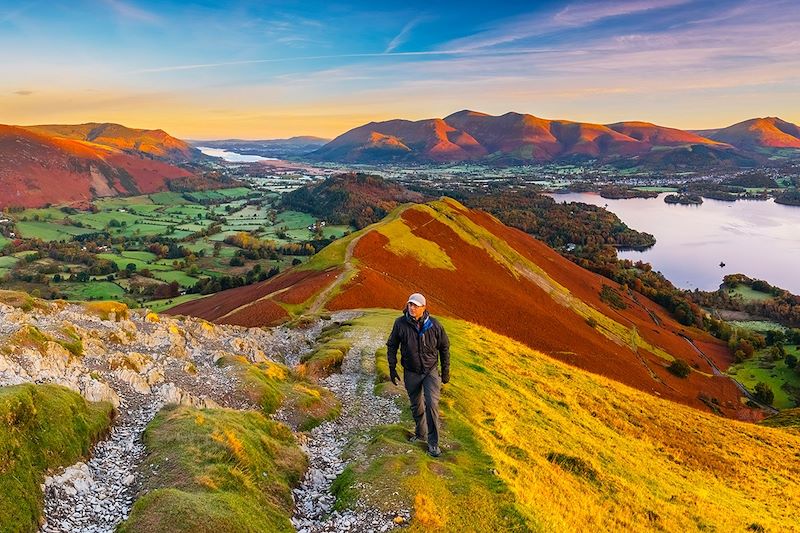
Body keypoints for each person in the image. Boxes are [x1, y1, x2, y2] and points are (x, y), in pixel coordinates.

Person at [386, 292, 450, 458]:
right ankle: (420, 434)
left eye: (415, 305)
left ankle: (433, 444)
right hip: (411, 372)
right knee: (416, 406)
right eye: (410, 304)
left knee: (431, 404)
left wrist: (445, 371)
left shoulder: (435, 325)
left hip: (430, 371)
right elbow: (392, 345)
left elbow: (444, 347)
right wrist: (392, 368)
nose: (412, 308)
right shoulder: (400, 324)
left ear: (424, 307)